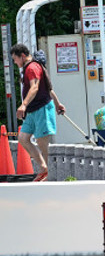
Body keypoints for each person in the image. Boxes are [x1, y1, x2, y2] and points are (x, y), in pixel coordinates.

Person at [11, 43, 66, 182]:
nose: (15, 62)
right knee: (23, 138)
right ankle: (43, 168)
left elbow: (35, 87)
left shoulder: (32, 67)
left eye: (15, 59)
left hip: (41, 108)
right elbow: (48, 88)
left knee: (42, 142)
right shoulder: (32, 67)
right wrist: (58, 103)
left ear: (22, 56)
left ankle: (49, 173)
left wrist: (23, 105)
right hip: (32, 110)